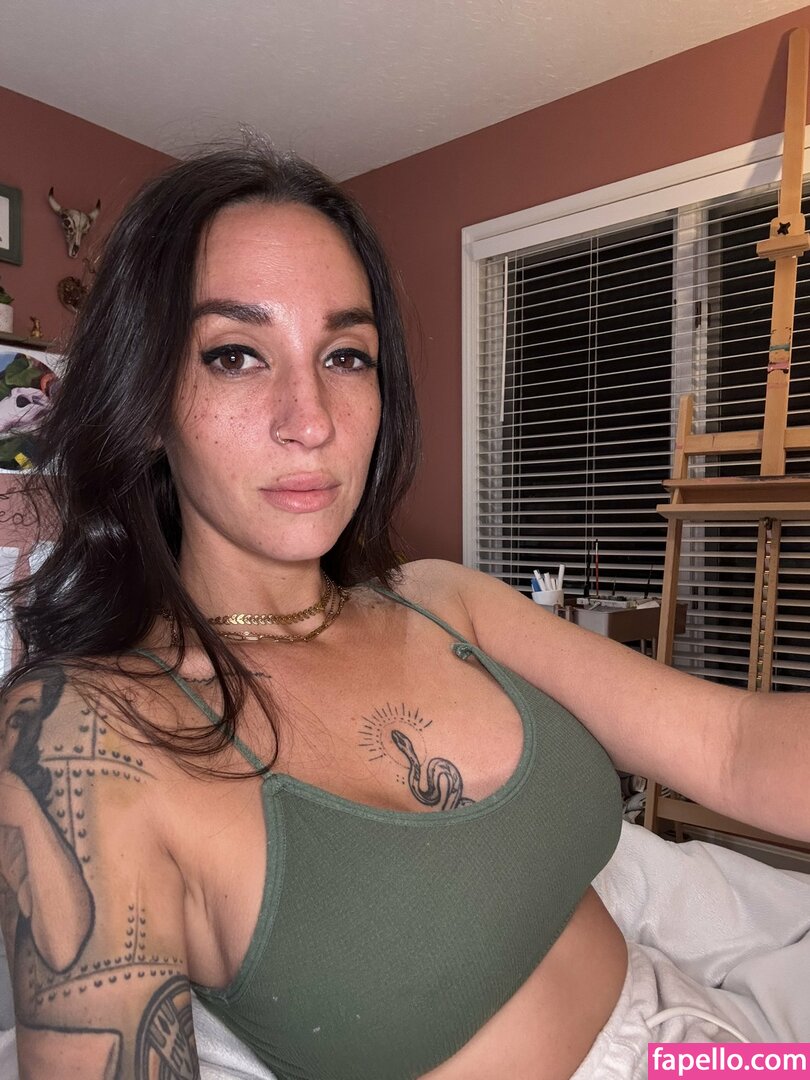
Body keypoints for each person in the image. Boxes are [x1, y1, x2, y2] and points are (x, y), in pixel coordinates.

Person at [0, 141, 807, 1080]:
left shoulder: (442, 600)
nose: (311, 419)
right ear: (146, 402)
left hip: (705, 1040)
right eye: (236, 355)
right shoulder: (82, 737)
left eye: (346, 355)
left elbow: (731, 744)